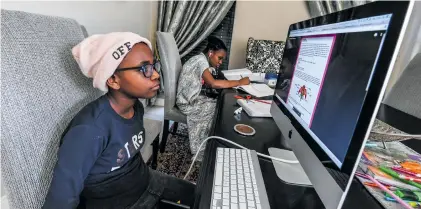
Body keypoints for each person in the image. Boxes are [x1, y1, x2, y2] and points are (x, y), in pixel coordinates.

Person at [43, 32, 195, 209]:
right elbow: (61, 200)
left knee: (203, 196)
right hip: (122, 203)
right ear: (113, 80)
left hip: (146, 181)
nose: (155, 75)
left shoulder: (136, 107)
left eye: (154, 66)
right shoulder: (88, 130)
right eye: (144, 69)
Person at [176, 36, 250, 159]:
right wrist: (239, 82)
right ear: (210, 53)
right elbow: (213, 83)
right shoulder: (201, 61)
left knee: (218, 104)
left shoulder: (202, 60)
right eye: (219, 58)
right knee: (218, 110)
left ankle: (213, 141)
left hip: (190, 98)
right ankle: (201, 150)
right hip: (187, 103)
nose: (220, 62)